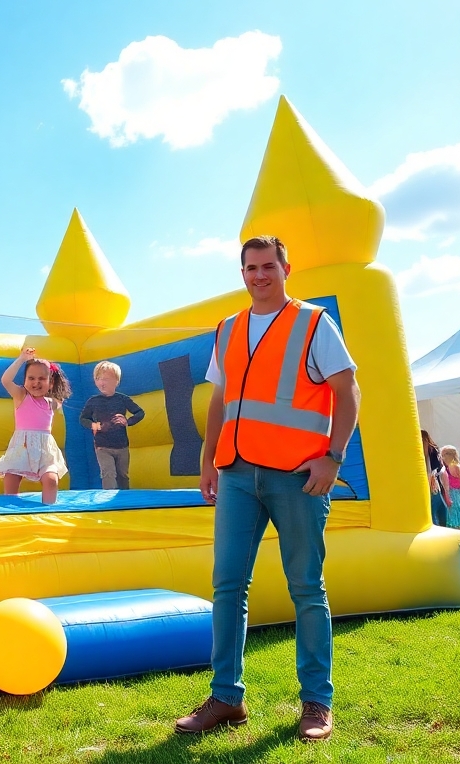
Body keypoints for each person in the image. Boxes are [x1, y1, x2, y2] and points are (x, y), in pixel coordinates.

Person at [175, 235, 359, 742]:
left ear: (285, 269)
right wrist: (209, 461)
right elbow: (219, 400)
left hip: (297, 476)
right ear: (242, 274)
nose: (259, 275)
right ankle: (226, 698)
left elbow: (348, 391)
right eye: (251, 268)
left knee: (306, 587)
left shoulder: (314, 322)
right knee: (227, 586)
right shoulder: (228, 328)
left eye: (268, 266)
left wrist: (333, 457)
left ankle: (317, 702)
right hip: (236, 473)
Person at [0, 347, 71, 504]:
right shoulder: (21, 396)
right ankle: (10, 506)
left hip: (44, 450)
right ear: (25, 380)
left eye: (42, 378)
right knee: (11, 477)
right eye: (31, 378)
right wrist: (21, 359)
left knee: (51, 480)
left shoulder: (52, 403)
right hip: (22, 446)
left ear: (50, 383)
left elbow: (60, 398)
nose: (36, 382)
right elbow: (6, 380)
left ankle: (48, 508)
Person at [79, 361, 145, 490]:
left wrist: (127, 421)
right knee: (108, 473)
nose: (101, 383)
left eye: (106, 379)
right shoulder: (93, 401)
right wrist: (94, 425)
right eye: (98, 379)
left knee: (122, 475)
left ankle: (123, 498)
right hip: (102, 446)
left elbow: (140, 412)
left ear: (116, 381)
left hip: (121, 446)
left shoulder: (122, 399)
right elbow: (83, 418)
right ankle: (109, 499)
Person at [438, 446, 460, 528]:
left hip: (453, 492)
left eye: (443, 455)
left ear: (449, 455)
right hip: (456, 492)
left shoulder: (451, 467)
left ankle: (459, 529)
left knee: (455, 512)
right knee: (458, 512)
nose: (442, 458)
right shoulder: (453, 467)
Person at [422, 430, 446, 527]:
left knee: (433, 508)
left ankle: (437, 526)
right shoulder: (433, 449)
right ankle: (442, 526)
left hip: (432, 481)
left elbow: (435, 467)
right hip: (435, 481)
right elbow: (439, 466)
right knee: (437, 507)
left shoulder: (430, 450)